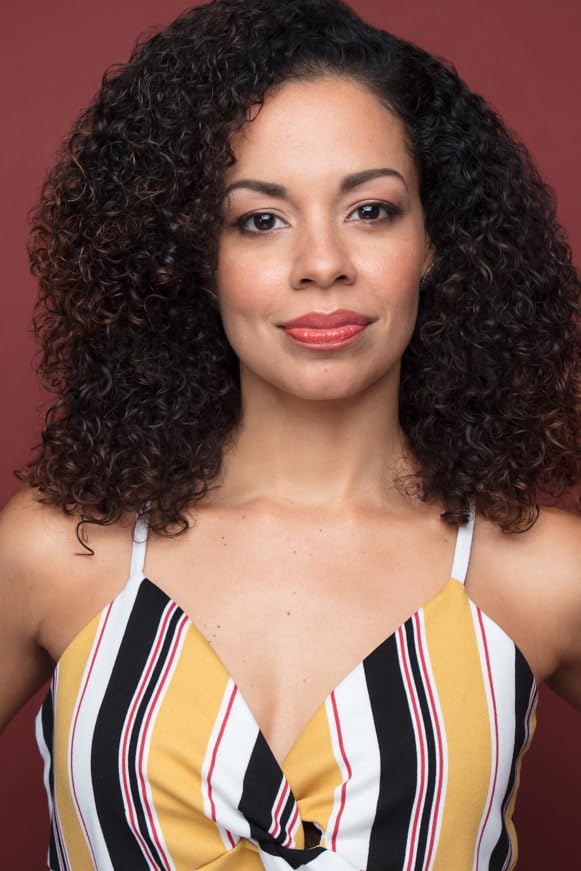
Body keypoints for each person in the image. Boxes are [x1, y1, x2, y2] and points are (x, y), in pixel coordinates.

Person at [1, 0, 580, 867]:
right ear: (192, 255)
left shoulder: (536, 573)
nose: (321, 262)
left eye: (371, 210)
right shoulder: (62, 550)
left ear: (434, 240)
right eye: (259, 218)